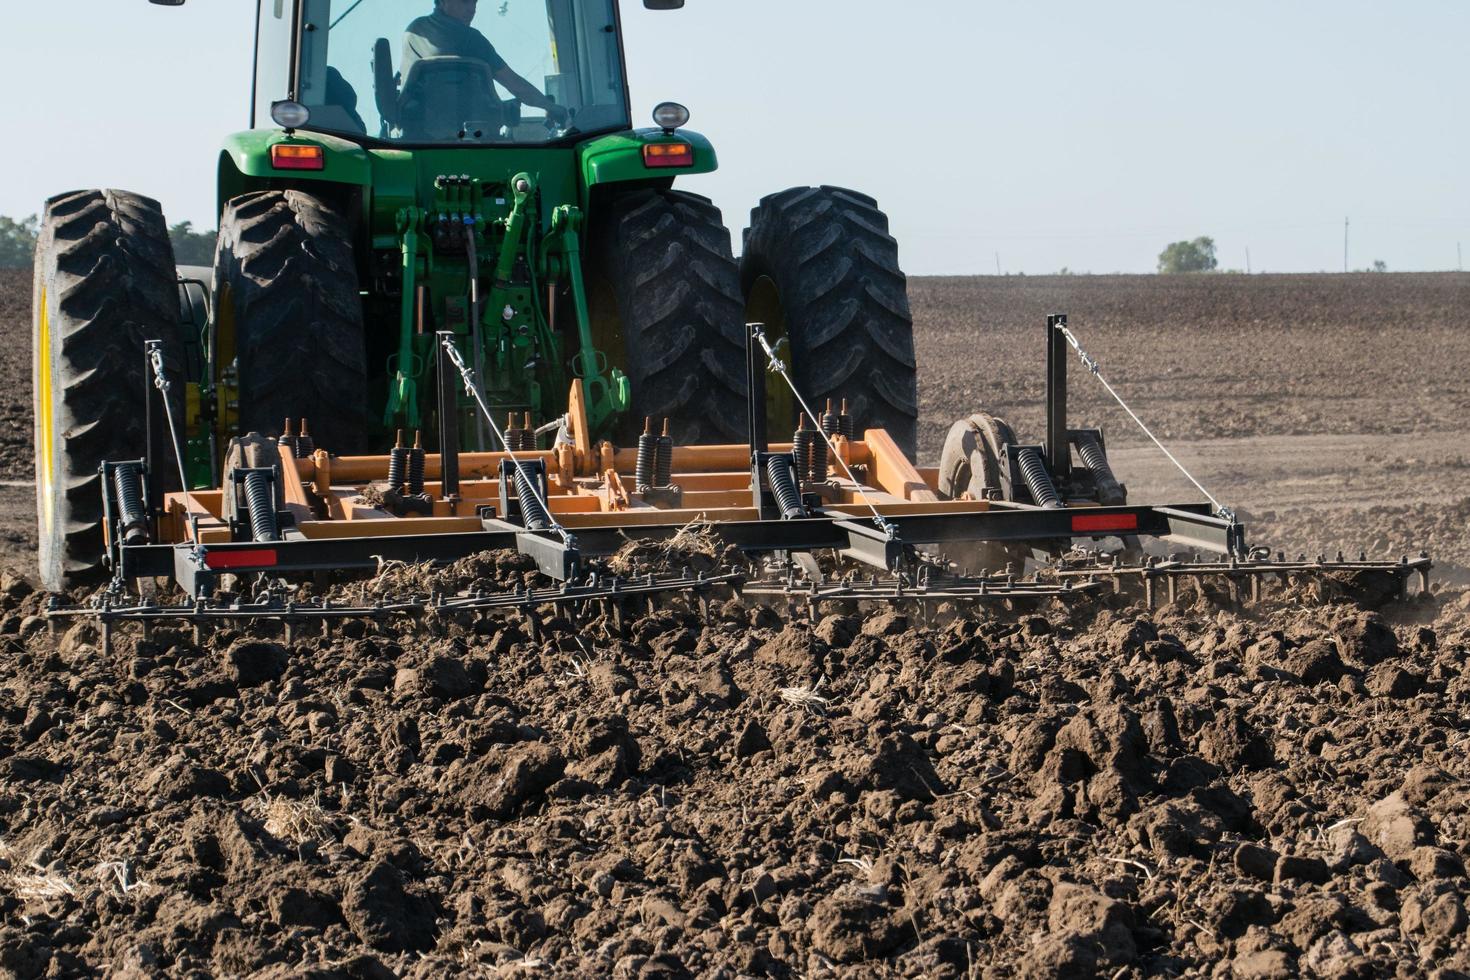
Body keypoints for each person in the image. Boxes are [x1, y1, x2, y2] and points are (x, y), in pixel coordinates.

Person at [403, 0, 569, 127]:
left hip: (418, 133)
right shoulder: (472, 39)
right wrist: (551, 107)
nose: (472, 9)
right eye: (464, 1)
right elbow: (515, 85)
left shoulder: (414, 32)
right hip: (472, 136)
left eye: (475, 1)